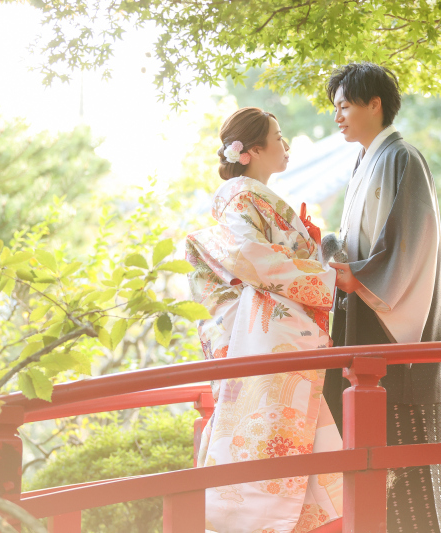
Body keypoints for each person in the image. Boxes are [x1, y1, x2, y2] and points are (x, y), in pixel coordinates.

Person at [185, 107, 343, 533]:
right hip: (272, 332)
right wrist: (324, 279)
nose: (285, 144)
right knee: (279, 438)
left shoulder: (250, 195)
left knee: (302, 442)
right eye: (278, 136)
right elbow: (251, 258)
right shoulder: (241, 197)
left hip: (281, 330)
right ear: (252, 150)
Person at [322, 62, 441, 533]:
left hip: (395, 329)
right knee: (373, 465)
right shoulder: (367, 161)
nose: (337, 116)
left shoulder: (402, 158)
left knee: (408, 471)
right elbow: (357, 244)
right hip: (369, 319)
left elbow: (409, 243)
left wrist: (357, 275)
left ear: (373, 104)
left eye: (344, 106)